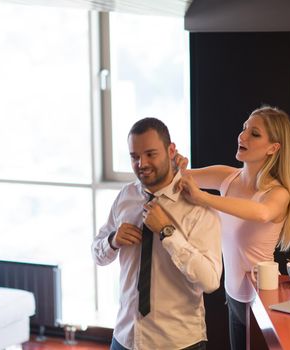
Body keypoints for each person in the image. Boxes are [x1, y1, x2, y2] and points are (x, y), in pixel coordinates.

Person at [92, 117, 222, 350]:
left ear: (171, 150)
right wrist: (112, 241)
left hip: (177, 342)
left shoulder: (198, 207)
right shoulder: (126, 197)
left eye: (151, 154)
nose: (142, 163)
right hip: (124, 338)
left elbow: (210, 280)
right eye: (134, 156)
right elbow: (97, 254)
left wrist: (167, 232)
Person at [175, 106, 290, 350]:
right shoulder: (226, 177)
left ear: (273, 148)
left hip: (262, 300)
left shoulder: (278, 194)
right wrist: (175, 163)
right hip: (233, 298)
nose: (243, 136)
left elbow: (261, 213)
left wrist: (204, 198)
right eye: (244, 128)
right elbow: (179, 179)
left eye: (255, 134)